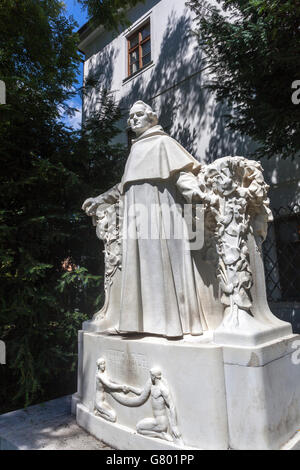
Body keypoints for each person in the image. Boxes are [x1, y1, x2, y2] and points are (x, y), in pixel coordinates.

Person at [82, 101, 215, 337]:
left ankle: (173, 325)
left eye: (139, 115)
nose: (133, 120)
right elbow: (123, 187)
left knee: (165, 266)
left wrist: (195, 193)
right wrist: (100, 199)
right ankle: (138, 324)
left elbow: (183, 174)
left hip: (162, 215)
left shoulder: (164, 143)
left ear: (152, 118)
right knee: (142, 269)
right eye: (130, 117)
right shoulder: (135, 149)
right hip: (137, 221)